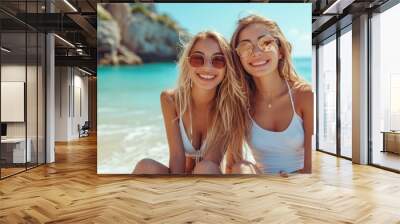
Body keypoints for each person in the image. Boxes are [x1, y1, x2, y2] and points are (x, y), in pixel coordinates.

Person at [133, 31, 248, 174]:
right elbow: (176, 158)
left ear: (227, 67)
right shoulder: (170, 100)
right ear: (188, 63)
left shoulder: (228, 107)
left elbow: (211, 163)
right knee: (145, 166)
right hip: (185, 179)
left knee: (204, 168)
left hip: (210, 180)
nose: (207, 67)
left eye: (218, 60)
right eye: (198, 59)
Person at [230, 15, 314, 175]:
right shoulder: (240, 103)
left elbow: (313, 167)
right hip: (260, 189)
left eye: (266, 43)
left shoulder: (305, 95)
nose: (255, 52)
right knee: (239, 168)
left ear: (281, 51)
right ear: (238, 58)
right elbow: (233, 163)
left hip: (302, 188)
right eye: (245, 47)